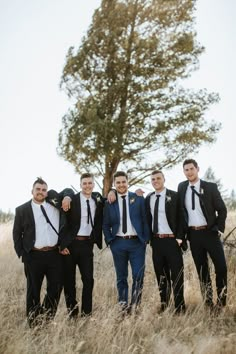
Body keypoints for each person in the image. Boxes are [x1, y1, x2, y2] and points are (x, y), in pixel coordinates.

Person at [13, 177, 73, 326]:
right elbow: (16, 234)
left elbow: (68, 191)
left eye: (43, 190)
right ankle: (33, 324)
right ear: (32, 191)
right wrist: (23, 254)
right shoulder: (22, 210)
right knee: (33, 291)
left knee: (56, 287)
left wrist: (66, 197)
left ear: (47, 192)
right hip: (33, 256)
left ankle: (46, 318)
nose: (41, 192)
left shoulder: (54, 204)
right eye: (38, 189)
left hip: (54, 254)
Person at [178, 159, 227, 311]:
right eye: (186, 170)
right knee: (202, 271)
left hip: (210, 233)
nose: (189, 172)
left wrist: (218, 228)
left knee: (221, 268)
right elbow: (178, 209)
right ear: (184, 172)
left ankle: (221, 301)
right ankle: (208, 303)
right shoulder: (182, 187)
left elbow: (222, 209)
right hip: (194, 235)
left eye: (191, 169)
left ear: (197, 169)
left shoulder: (210, 187)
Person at [103, 171, 149, 314]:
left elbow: (145, 219)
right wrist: (110, 240)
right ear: (115, 184)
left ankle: (135, 305)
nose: (121, 185)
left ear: (127, 182)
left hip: (137, 244)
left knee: (138, 275)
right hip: (118, 244)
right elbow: (105, 224)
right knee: (121, 276)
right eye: (118, 183)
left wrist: (145, 239)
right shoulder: (110, 202)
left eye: (123, 182)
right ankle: (123, 306)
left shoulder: (138, 198)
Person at [60, 173, 104, 318]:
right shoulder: (72, 199)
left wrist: (112, 191)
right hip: (71, 245)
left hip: (87, 245)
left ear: (93, 184)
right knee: (69, 280)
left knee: (88, 279)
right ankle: (72, 312)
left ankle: (86, 313)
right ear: (80, 185)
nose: (87, 186)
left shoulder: (97, 199)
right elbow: (64, 191)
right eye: (84, 183)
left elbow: (111, 195)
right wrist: (62, 244)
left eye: (90, 183)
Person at [145, 170, 186, 313]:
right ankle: (164, 305)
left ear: (164, 179)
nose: (155, 181)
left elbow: (182, 217)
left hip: (172, 241)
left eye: (158, 178)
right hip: (156, 242)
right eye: (153, 179)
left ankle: (180, 307)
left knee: (177, 275)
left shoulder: (174, 196)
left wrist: (180, 238)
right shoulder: (148, 198)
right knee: (161, 276)